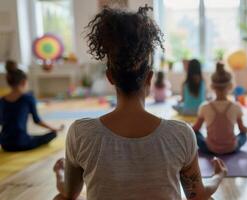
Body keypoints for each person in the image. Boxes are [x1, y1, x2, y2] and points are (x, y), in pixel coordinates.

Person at [53, 6, 227, 200]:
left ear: (110, 77)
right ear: (149, 77)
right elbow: (198, 195)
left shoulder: (81, 133)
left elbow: (69, 193)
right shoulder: (181, 134)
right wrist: (218, 177)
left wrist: (59, 174)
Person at [0, 60, 63, 152]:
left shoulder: (2, 100)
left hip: (5, 144)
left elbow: (1, 121)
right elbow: (37, 120)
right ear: (24, 81)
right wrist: (54, 129)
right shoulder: (28, 98)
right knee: (52, 134)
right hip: (21, 143)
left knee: (29, 135)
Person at [192, 62, 247, 155]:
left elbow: (195, 129)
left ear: (212, 86)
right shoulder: (236, 106)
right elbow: (242, 129)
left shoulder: (204, 107)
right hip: (231, 148)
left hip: (210, 149)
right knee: (244, 136)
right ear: (231, 85)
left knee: (194, 134)